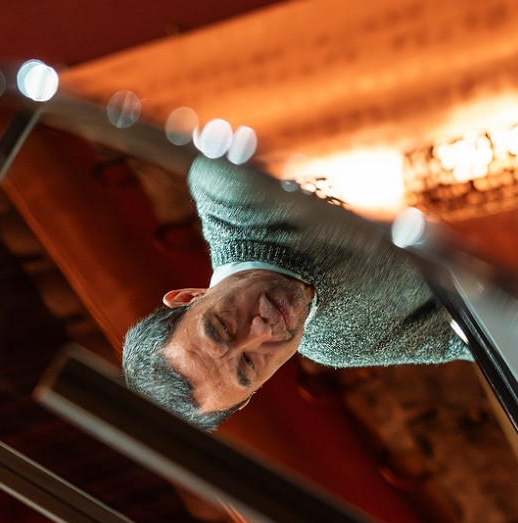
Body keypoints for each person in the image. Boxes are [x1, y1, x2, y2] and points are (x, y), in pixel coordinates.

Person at [121, 156, 470, 428]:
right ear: (252, 393)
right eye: (249, 363)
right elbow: (477, 341)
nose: (262, 331)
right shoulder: (340, 345)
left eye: (224, 328)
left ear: (188, 297)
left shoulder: (231, 182)